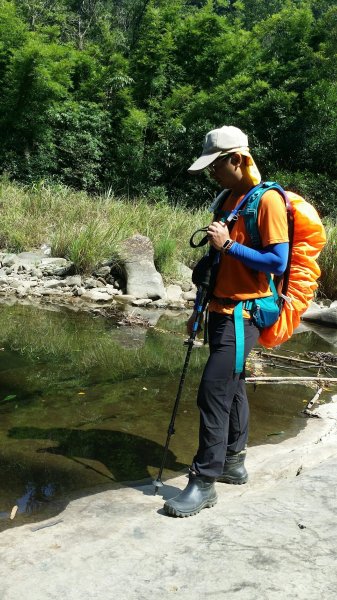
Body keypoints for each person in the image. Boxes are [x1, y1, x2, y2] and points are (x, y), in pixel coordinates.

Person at [164, 125, 289, 518]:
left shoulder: (266, 201)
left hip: (245, 315)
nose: (210, 174)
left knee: (212, 392)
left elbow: (278, 262)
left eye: (215, 165)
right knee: (231, 387)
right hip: (218, 311)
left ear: (237, 159)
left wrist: (229, 244)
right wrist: (197, 311)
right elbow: (214, 266)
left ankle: (204, 481)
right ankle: (234, 462)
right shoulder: (227, 199)